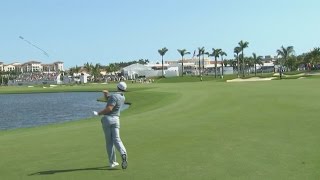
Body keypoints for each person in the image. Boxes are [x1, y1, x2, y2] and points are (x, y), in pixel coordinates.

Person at [93, 81, 128, 169]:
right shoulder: (122, 97)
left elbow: (109, 108)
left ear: (117, 87)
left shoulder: (114, 96)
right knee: (117, 139)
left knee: (109, 142)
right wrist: (106, 95)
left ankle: (112, 162)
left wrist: (98, 113)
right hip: (116, 120)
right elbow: (111, 99)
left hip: (108, 119)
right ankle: (123, 153)